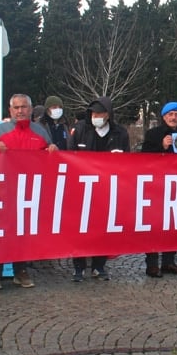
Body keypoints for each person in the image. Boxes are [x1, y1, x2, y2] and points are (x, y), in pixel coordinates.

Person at [0, 94, 56, 289]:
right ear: (10, 110)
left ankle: (20, 270)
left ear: (31, 110)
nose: (20, 111)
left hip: (28, 192)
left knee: (23, 233)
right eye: (16, 107)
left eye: (24, 107)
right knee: (0, 232)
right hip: (3, 191)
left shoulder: (40, 131)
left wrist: (53, 149)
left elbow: (50, 153)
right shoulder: (0, 130)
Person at [68, 96, 130, 281]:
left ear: (108, 114)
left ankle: (99, 265)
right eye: (93, 113)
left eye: (100, 113)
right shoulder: (80, 130)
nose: (96, 116)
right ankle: (78, 267)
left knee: (102, 228)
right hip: (82, 187)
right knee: (80, 227)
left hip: (107, 188)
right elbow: (69, 155)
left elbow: (127, 160)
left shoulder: (120, 133)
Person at [140, 101, 177, 277]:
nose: (174, 118)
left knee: (174, 226)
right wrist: (162, 147)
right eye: (171, 115)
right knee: (154, 226)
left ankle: (169, 261)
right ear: (164, 116)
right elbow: (143, 158)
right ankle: (152, 264)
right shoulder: (153, 134)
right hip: (156, 187)